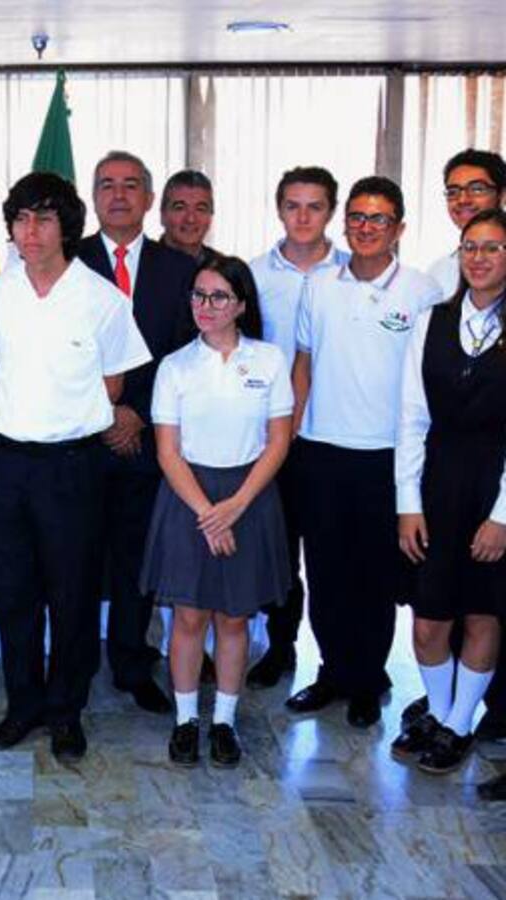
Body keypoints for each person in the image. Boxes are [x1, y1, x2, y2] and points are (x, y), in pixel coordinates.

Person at [0, 172, 150, 760]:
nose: (31, 231)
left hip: (73, 467)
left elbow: (115, 381)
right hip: (5, 462)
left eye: (44, 218)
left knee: (73, 595)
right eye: (21, 218)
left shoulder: (102, 298)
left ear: (67, 226)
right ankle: (22, 705)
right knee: (12, 593)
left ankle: (65, 710)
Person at [289, 176, 443, 728]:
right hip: (321, 450)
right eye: (356, 216)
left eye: (378, 218)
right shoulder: (320, 284)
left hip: (387, 456)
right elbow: (302, 362)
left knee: (375, 576)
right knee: (326, 571)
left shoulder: (422, 291)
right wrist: (291, 435)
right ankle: (332, 671)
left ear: (399, 227)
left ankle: (367, 678)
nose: (366, 227)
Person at [141, 256, 292, 768]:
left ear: (242, 305)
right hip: (190, 498)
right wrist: (209, 513)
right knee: (187, 617)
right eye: (199, 295)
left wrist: (237, 506)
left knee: (234, 618)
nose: (207, 306)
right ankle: (186, 721)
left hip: (249, 495)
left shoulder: (269, 360)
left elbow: (277, 442)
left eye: (219, 297)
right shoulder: (175, 366)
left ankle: (224, 722)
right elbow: (167, 452)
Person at [78, 150, 197, 714]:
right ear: (93, 198)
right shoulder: (65, 263)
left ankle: (130, 662)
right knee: (73, 560)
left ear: (149, 200)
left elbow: (182, 355)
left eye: (131, 186)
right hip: (78, 443)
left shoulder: (180, 271)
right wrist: (106, 415)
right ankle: (73, 665)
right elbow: (58, 357)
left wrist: (135, 413)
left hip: (149, 445)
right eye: (107, 185)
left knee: (134, 563)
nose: (119, 195)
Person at [394, 208, 506, 781]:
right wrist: (407, 502)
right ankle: (438, 713)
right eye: (470, 247)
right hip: (436, 484)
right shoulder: (431, 321)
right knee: (429, 619)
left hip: (495, 486)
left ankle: (461, 723)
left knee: (484, 612)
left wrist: (502, 516)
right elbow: (411, 417)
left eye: (492, 248)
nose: (479, 258)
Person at [246, 166, 349, 688]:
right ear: (279, 208)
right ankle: (280, 646)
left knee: (333, 556)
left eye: (315, 206)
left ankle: (344, 664)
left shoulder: (357, 272)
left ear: (331, 211)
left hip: (333, 436)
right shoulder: (252, 274)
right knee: (279, 552)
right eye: (293, 205)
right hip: (270, 437)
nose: (303, 216)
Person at [427, 150, 506, 297]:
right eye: (453, 192)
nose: (463, 200)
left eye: (477, 189)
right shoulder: (439, 272)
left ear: (502, 196)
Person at [159, 170, 219, 263]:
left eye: (200, 209)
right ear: (163, 215)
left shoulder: (223, 271)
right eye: (180, 208)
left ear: (210, 217)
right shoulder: (139, 265)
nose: (190, 219)